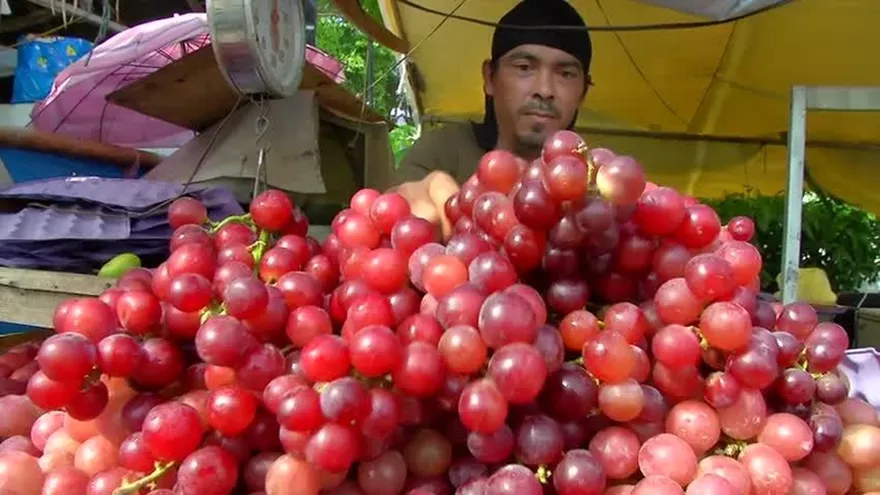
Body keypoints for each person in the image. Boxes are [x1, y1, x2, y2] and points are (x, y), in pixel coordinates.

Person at [390, 0, 593, 237]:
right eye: (524, 67)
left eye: (566, 74)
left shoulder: (596, 187)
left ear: (583, 93)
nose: (544, 89)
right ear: (489, 78)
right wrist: (405, 200)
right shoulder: (442, 152)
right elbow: (386, 219)